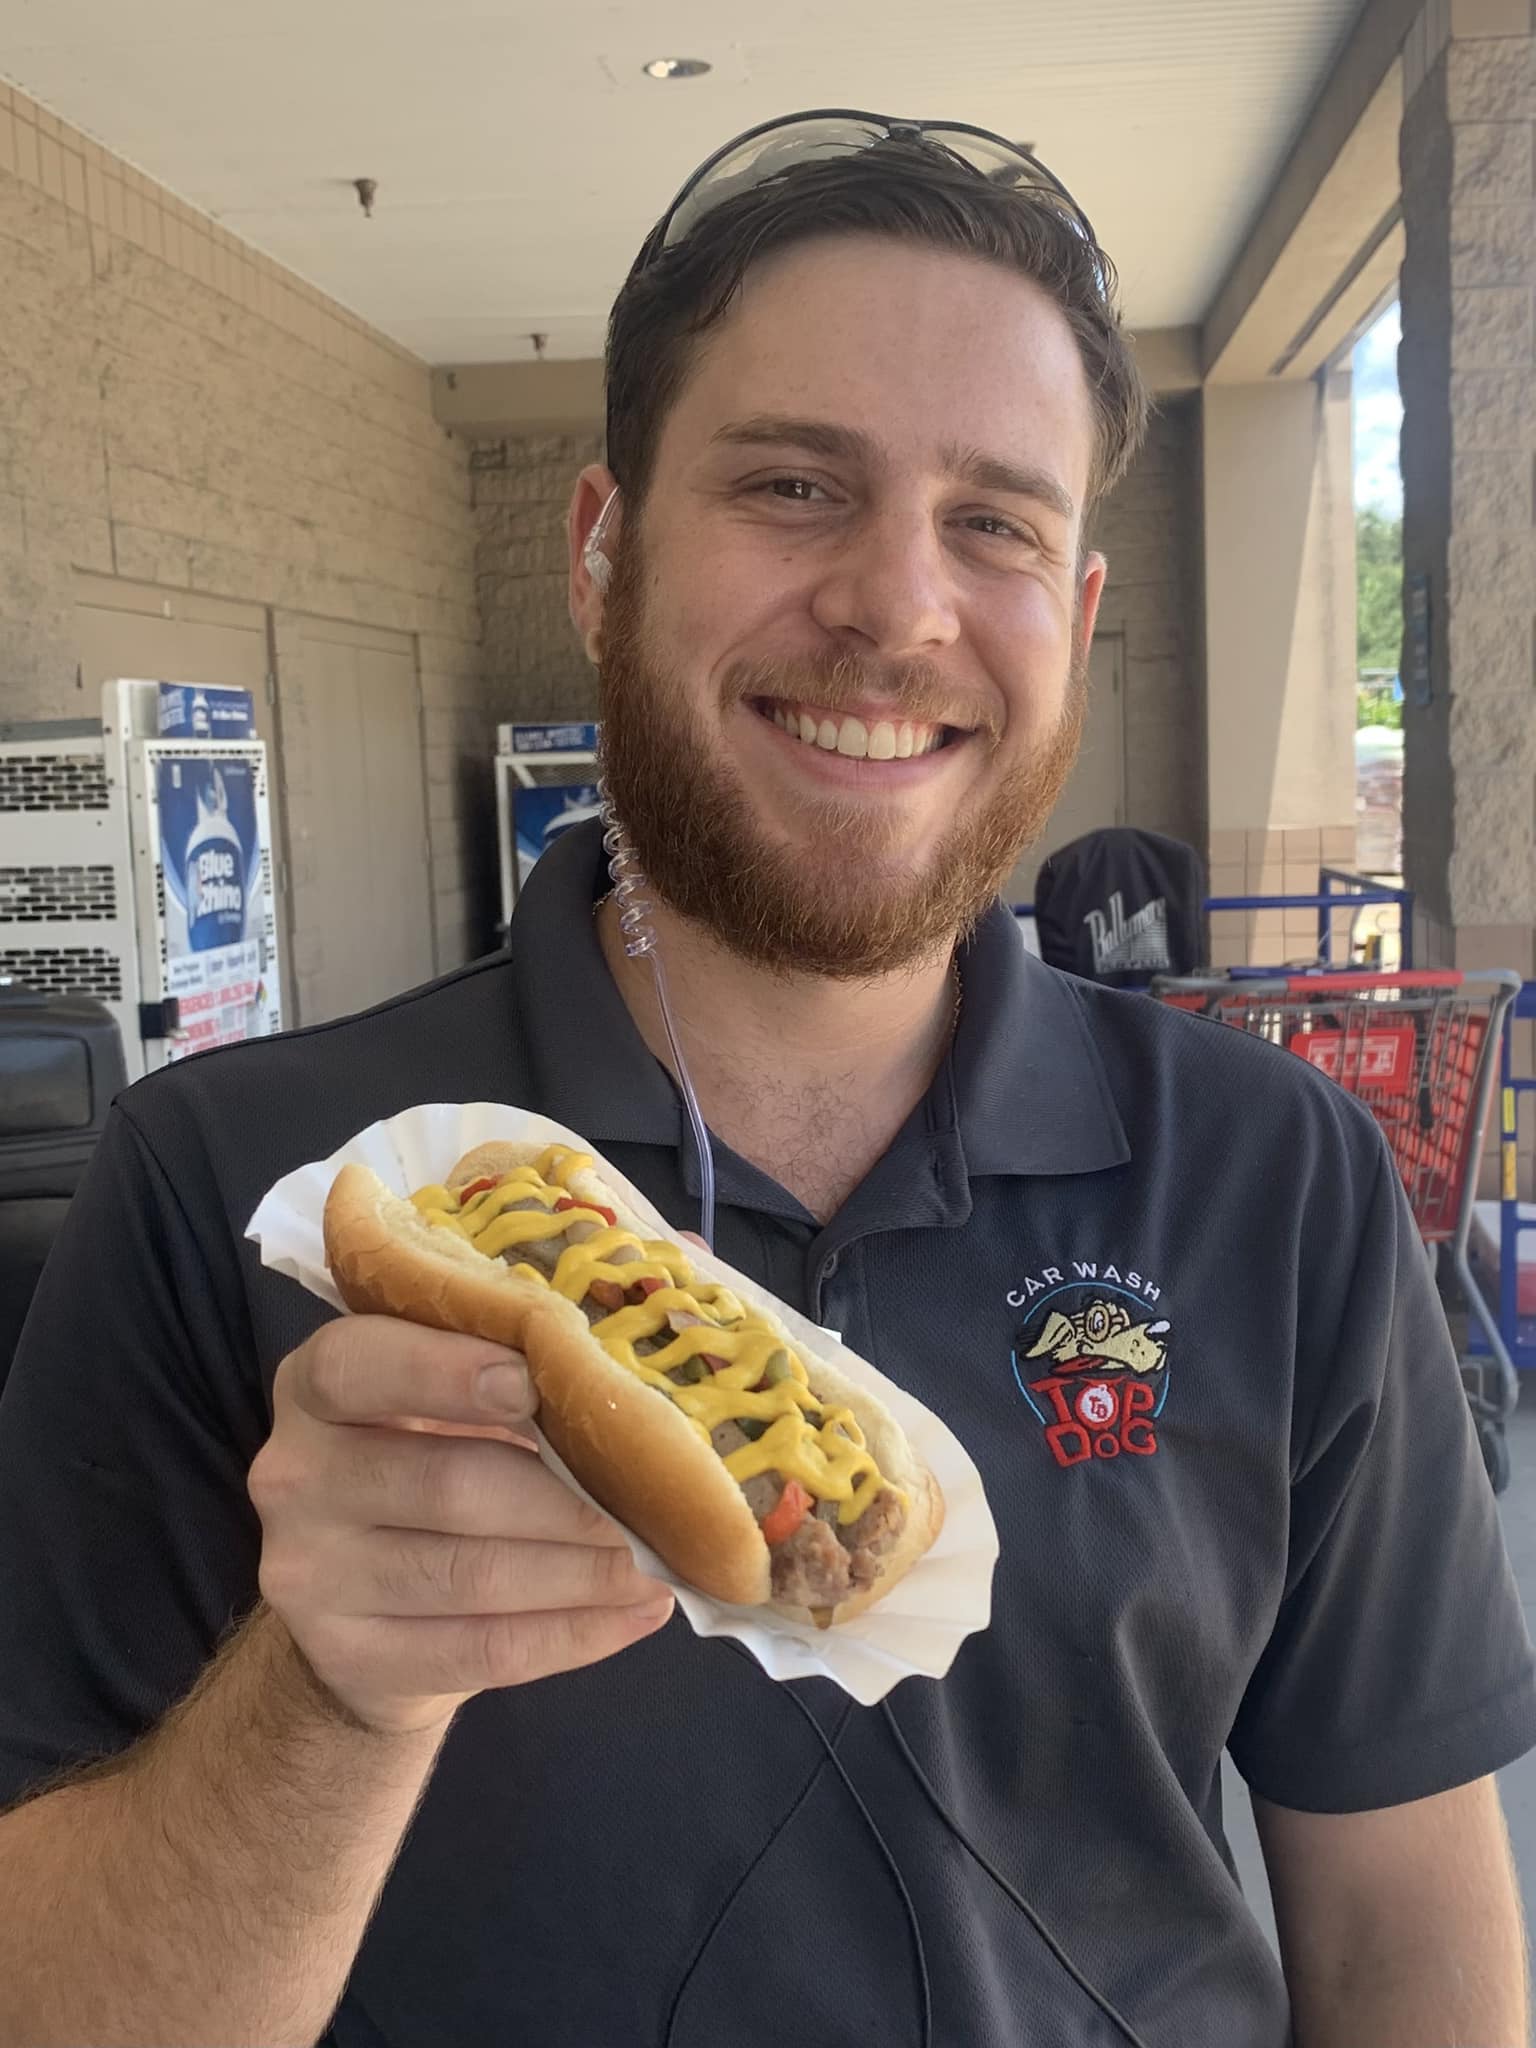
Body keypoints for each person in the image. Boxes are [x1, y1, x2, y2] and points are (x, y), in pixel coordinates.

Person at [0, 110, 1531, 2048]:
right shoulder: (227, 1176)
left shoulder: (1275, 1170)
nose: (898, 606)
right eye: (796, 484)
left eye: (996, 520)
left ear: (1070, 616)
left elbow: (1406, 1919)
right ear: (601, 549)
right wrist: (325, 1689)